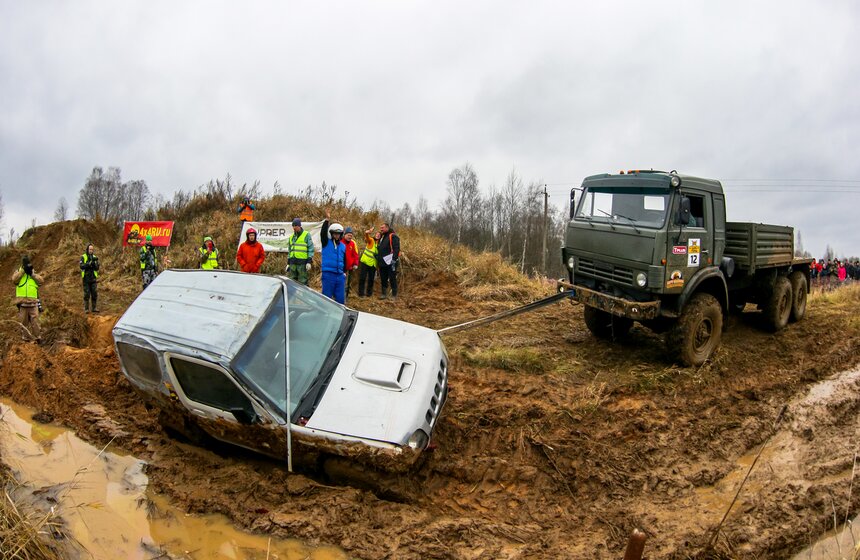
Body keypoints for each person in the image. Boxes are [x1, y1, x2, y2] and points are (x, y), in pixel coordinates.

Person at [12, 256, 44, 343]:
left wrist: (32, 274)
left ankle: (38, 338)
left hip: (33, 302)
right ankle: (26, 339)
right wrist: (22, 271)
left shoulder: (33, 272)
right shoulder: (18, 272)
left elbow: (41, 281)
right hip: (22, 303)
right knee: (24, 322)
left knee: (35, 322)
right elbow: (14, 280)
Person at [320, 209, 346, 304]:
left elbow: (344, 260)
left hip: (340, 276)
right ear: (331, 234)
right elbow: (323, 233)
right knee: (326, 299)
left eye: (339, 234)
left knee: (340, 299)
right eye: (335, 233)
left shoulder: (343, 246)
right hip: (328, 274)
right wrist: (327, 220)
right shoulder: (326, 243)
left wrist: (344, 272)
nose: (337, 235)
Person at [286, 218, 313, 285]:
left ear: (299, 226)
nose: (294, 227)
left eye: (296, 226)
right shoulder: (291, 237)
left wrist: (309, 262)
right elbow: (290, 251)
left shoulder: (306, 235)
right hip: (292, 263)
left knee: (303, 283)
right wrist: (288, 263)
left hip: (302, 263)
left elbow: (310, 248)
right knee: (292, 283)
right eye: (293, 226)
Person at [376, 222, 400, 300]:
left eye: (382, 228)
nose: (381, 229)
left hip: (391, 262)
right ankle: (384, 294)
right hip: (382, 263)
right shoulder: (382, 237)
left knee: (392, 278)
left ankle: (394, 295)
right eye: (380, 228)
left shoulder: (393, 236)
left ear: (387, 228)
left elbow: (396, 249)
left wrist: (394, 259)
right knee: (383, 278)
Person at [358, 227, 379, 297]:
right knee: (362, 278)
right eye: (377, 234)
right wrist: (367, 233)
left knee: (371, 280)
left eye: (379, 235)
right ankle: (361, 294)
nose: (378, 235)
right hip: (365, 262)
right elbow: (367, 237)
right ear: (375, 235)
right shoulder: (371, 240)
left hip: (373, 265)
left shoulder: (379, 245)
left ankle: (369, 294)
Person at [79, 243, 100, 313]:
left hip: (93, 278)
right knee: (87, 294)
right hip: (86, 278)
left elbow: (97, 268)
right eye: (90, 249)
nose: (91, 250)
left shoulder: (94, 257)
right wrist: (88, 264)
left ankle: (94, 308)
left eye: (92, 249)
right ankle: (86, 309)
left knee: (94, 293)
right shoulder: (83, 257)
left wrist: (94, 264)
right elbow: (81, 266)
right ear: (87, 249)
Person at [342, 226, 359, 299]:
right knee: (341, 282)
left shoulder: (353, 244)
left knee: (348, 283)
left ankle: (346, 296)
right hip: (341, 267)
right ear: (344, 235)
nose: (350, 237)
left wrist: (355, 263)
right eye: (348, 235)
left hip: (350, 267)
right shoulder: (340, 242)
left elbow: (355, 254)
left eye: (351, 235)